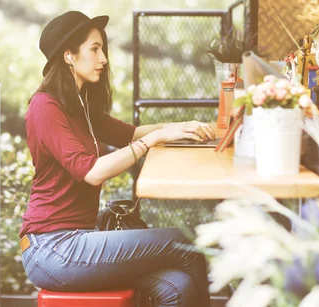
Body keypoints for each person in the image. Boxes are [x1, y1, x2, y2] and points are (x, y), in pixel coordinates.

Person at [19, 11, 215, 307]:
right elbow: (93, 172)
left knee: (178, 286)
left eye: (103, 49)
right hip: (52, 249)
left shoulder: (80, 107)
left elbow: (131, 133)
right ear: (68, 56)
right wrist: (154, 140)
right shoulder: (45, 107)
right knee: (184, 241)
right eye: (94, 49)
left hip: (78, 241)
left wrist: (181, 128)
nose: (104, 59)